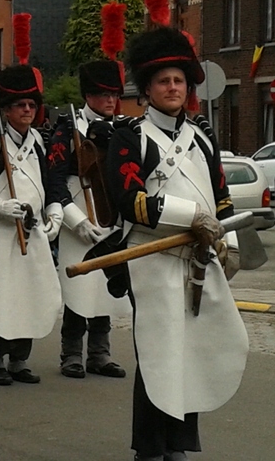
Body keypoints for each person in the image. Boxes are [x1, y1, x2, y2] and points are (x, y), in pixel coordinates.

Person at [106, 26, 248, 459]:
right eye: (164, 80)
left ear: (188, 88)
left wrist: (234, 244)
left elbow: (221, 196)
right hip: (151, 261)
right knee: (160, 356)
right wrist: (193, 217)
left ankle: (180, 443)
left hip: (199, 260)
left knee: (193, 353)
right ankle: (149, 449)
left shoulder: (203, 136)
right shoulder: (130, 136)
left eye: (179, 80)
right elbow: (130, 201)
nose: (172, 87)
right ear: (147, 88)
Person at [0, 15, 62, 387]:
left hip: (33, 229)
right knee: (0, 295)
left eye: (31, 104)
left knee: (29, 292)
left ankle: (20, 358)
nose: (27, 110)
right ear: (6, 109)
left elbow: (53, 182)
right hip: (1, 230)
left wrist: (54, 211)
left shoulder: (41, 141)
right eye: (20, 105)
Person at [47, 58, 131, 380]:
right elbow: (54, 179)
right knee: (78, 288)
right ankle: (71, 352)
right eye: (103, 93)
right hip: (78, 216)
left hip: (112, 217)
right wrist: (76, 220)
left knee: (107, 286)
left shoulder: (124, 129)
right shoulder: (67, 128)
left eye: (114, 93)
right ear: (88, 95)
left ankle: (100, 352)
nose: (110, 99)